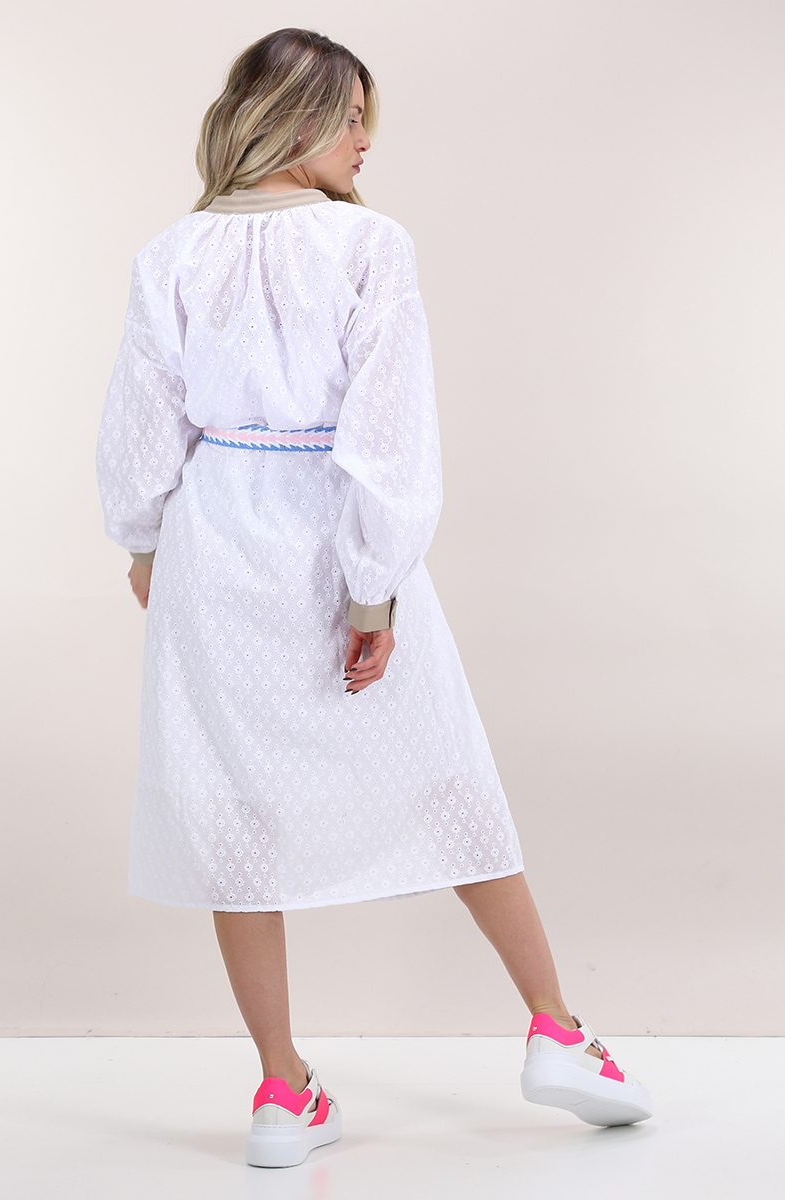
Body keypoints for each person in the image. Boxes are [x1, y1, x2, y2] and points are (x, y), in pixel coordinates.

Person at [96, 27, 652, 1169]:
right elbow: (388, 427)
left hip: (213, 540)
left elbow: (143, 420)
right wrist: (371, 591)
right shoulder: (368, 245)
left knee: (235, 813)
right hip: (328, 530)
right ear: (298, 120)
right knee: (446, 773)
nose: (365, 143)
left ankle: (281, 1089)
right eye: (353, 119)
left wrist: (145, 539)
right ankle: (555, 1029)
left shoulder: (170, 254)